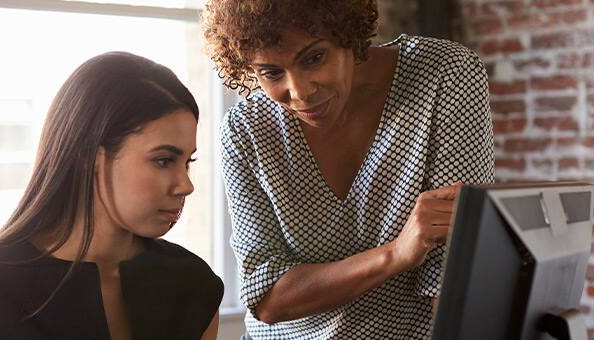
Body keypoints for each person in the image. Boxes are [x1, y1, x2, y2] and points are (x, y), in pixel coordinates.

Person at [201, 1, 494, 339]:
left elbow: (452, 271)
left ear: (349, 33)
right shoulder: (246, 130)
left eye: (314, 58)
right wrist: (395, 254)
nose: (300, 92)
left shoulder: (445, 73)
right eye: (271, 72)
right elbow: (266, 297)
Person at [0, 52, 223, 340]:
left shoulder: (195, 286)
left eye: (187, 162)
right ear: (88, 154)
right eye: (163, 160)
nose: (186, 185)